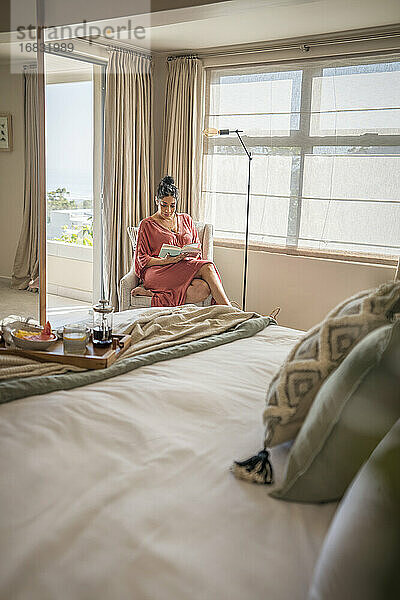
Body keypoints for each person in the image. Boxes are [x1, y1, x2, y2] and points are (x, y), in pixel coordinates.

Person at [132, 175, 231, 307]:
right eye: (164, 205)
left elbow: (197, 248)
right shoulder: (147, 224)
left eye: (172, 206)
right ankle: (230, 311)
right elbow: (141, 259)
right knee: (208, 267)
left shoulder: (186, 219)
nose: (168, 210)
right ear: (156, 201)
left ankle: (155, 295)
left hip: (182, 266)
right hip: (158, 271)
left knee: (202, 289)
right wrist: (166, 261)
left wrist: (187, 254)